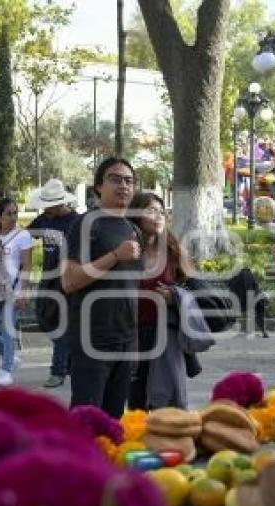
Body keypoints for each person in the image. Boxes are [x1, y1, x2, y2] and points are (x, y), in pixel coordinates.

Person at [62, 157, 143, 418]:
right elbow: (70, 281)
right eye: (115, 179)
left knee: (112, 420)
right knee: (86, 419)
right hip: (92, 341)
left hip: (125, 340)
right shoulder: (85, 225)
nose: (123, 186)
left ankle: (105, 460)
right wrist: (115, 256)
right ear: (98, 186)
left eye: (129, 181)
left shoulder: (132, 229)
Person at [127, 192, 205, 410]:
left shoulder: (172, 250)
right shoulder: (128, 250)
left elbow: (194, 287)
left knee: (169, 397)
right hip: (134, 335)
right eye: (151, 211)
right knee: (136, 399)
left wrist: (175, 296)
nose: (159, 216)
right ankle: (138, 440)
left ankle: (170, 440)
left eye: (162, 212)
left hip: (167, 334)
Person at [27, 179, 79, 388]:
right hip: (47, 277)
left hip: (67, 278)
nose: (46, 208)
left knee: (61, 325)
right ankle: (68, 359)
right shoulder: (44, 219)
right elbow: (27, 234)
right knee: (44, 318)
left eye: (50, 205)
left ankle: (58, 371)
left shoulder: (76, 221)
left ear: (60, 203)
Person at [0, 198, 34, 387]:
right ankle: (9, 357)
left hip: (14, 289)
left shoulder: (23, 235)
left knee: (8, 328)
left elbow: (27, 265)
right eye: (8, 213)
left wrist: (24, 292)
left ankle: (6, 369)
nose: (13, 217)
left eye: (15, 213)